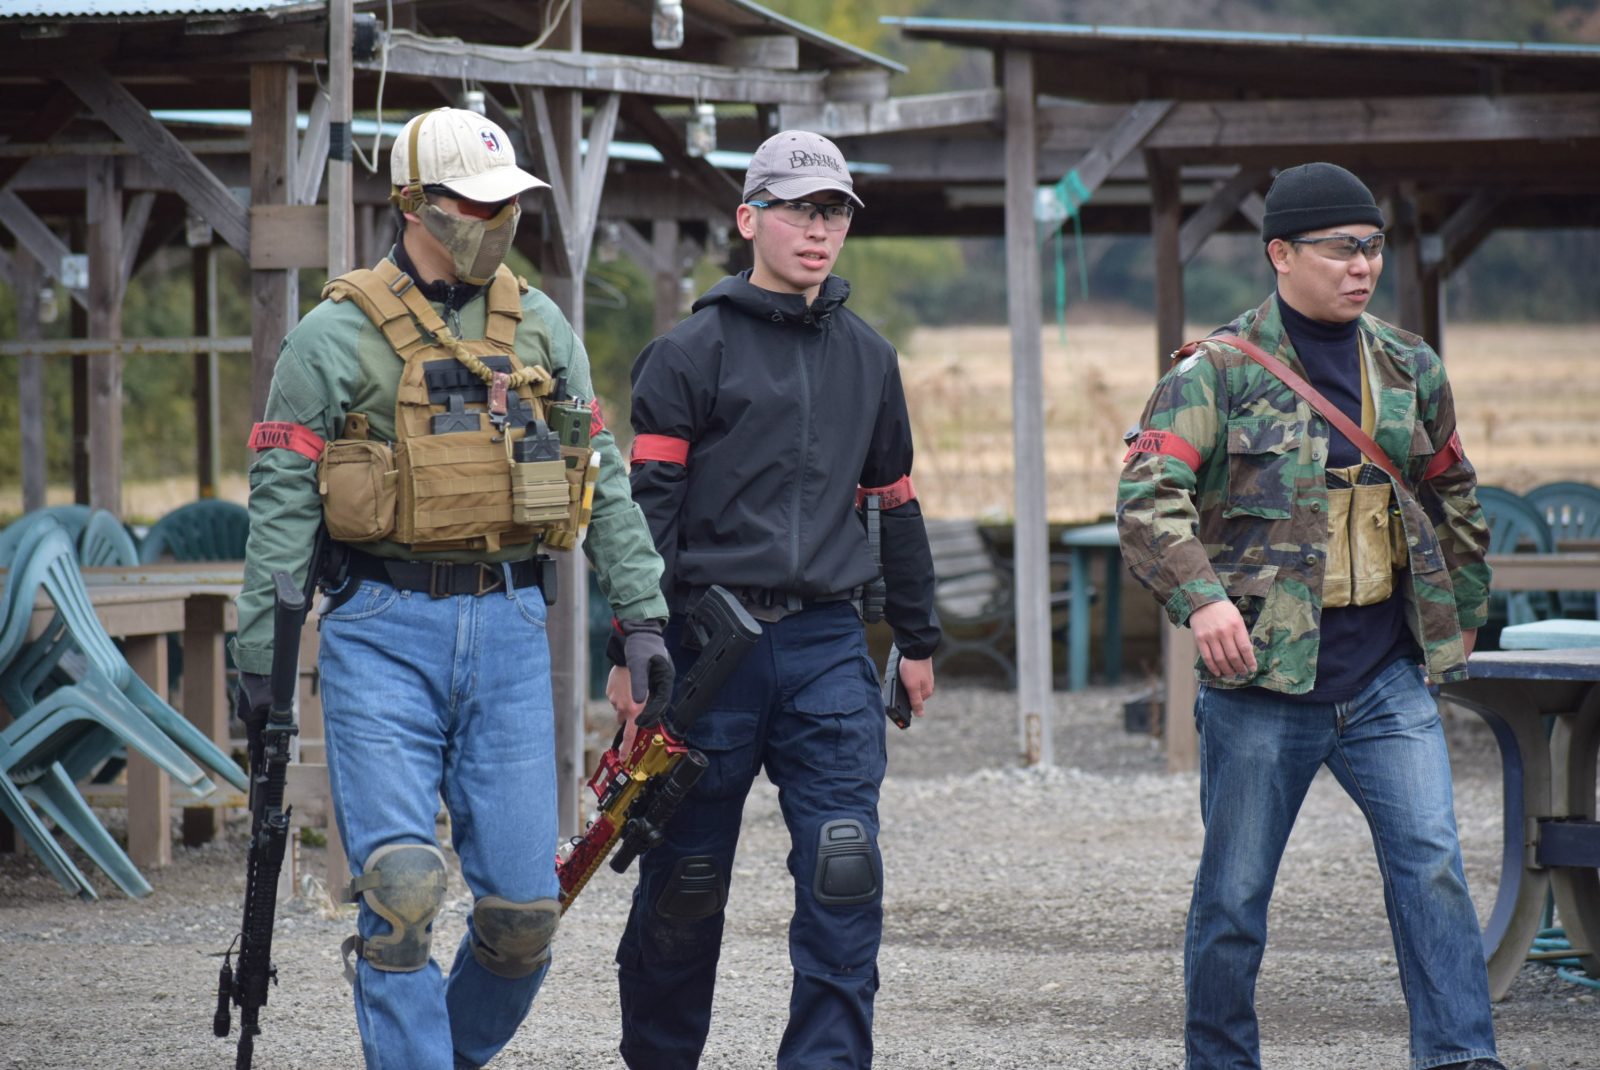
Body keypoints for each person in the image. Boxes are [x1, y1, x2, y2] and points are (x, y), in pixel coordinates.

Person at [230, 107, 672, 1070]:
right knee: (400, 895)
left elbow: (602, 475)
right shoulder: (331, 336)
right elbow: (281, 505)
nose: (496, 220)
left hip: (511, 627)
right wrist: (260, 657)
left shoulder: (541, 325)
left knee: (525, 917)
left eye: (508, 203)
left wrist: (641, 616)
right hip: (380, 630)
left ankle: (443, 1056)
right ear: (414, 204)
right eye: (475, 203)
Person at [1116, 162, 1511, 1070]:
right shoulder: (1216, 371)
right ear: (1281, 254)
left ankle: (1459, 1056)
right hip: (1262, 683)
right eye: (1340, 249)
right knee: (1235, 899)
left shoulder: (1409, 365)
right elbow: (1148, 497)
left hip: (1384, 678)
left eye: (1373, 248)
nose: (1362, 266)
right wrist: (1203, 601)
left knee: (1432, 868)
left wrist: (1463, 614)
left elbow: (1452, 490)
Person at [609, 129, 941, 1069]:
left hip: (828, 646)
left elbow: (894, 503)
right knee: (686, 883)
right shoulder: (687, 353)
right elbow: (644, 515)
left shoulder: (870, 358)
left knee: (844, 867)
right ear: (749, 218)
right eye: (799, 210)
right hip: (708, 651)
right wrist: (629, 646)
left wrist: (917, 639)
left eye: (834, 212)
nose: (819, 229)